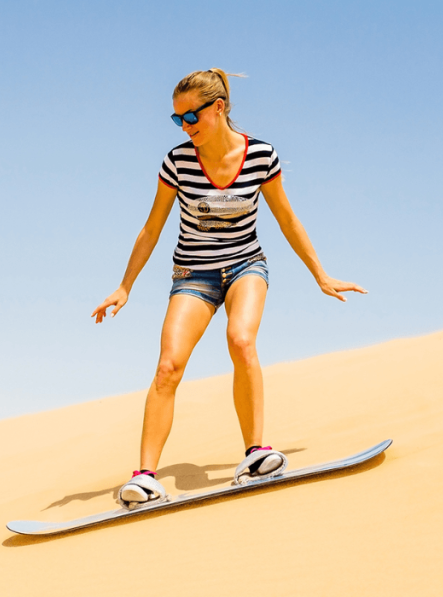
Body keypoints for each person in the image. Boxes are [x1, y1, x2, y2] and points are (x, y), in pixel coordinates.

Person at [91, 69, 366, 508]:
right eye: (178, 119)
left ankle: (256, 453)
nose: (186, 126)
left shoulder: (260, 156)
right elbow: (151, 228)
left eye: (192, 115)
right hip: (193, 275)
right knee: (168, 367)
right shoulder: (177, 163)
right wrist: (125, 286)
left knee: (241, 340)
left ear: (218, 108)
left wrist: (321, 274)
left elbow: (287, 220)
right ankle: (144, 478)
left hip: (245, 266)